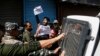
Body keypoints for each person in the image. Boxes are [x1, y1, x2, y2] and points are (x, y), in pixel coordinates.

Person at [0, 22, 65, 56]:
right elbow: (31, 47)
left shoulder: (8, 39)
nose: (19, 31)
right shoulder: (10, 43)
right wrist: (51, 52)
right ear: (11, 31)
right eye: (16, 30)